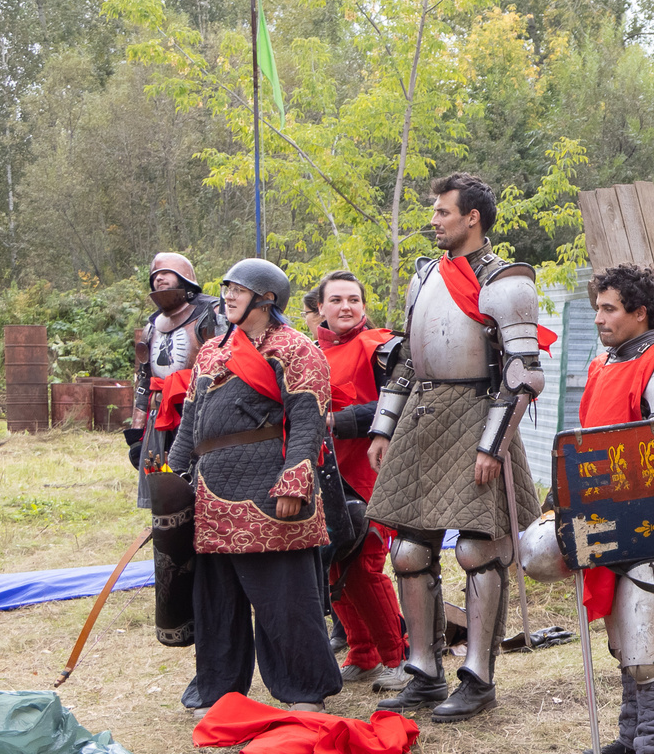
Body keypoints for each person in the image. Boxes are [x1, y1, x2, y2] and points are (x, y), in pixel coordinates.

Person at [365, 172, 545, 724]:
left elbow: (523, 376)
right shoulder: (425, 275)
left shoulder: (508, 282)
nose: (435, 220)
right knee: (409, 553)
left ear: (473, 218)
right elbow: (405, 360)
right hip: (423, 417)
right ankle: (423, 670)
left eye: (443, 212)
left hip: (478, 418)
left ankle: (478, 677)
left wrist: (493, 445)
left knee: (476, 551)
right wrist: (382, 426)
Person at [522, 264, 654, 754]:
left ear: (639, 312)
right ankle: (628, 737)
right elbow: (586, 442)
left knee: (648, 647)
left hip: (650, 526)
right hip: (603, 517)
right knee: (620, 637)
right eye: (598, 307)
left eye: (609, 309)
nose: (599, 318)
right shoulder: (604, 361)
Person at [166, 260, 341, 711]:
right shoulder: (211, 351)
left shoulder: (296, 349)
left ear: (266, 297)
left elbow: (307, 420)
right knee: (216, 602)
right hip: (210, 495)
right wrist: (172, 477)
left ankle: (305, 688)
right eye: (225, 287)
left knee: (285, 601)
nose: (227, 295)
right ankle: (219, 690)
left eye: (238, 289)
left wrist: (296, 481)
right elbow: (190, 422)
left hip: (270, 490)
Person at [130, 253, 224, 673]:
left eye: (168, 275)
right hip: (158, 420)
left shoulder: (210, 315)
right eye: (155, 277)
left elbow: (222, 368)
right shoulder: (150, 326)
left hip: (198, 415)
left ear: (187, 281)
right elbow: (141, 378)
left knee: (201, 508)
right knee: (167, 511)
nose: (160, 281)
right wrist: (137, 431)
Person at [314, 271, 405, 689]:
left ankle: (399, 657)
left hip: (372, 471)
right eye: (336, 300)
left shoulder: (383, 347)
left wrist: (340, 420)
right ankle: (363, 652)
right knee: (336, 570)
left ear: (364, 306)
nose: (345, 306)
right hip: (325, 474)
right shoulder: (309, 354)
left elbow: (400, 401)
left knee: (366, 567)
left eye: (353, 298)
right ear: (320, 308)